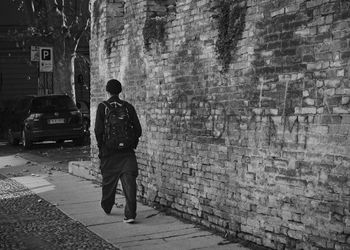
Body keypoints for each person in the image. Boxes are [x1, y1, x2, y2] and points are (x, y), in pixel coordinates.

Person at [94, 79, 142, 223]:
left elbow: (98, 130)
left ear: (107, 91)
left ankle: (107, 206)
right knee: (129, 183)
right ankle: (130, 215)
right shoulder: (128, 107)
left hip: (109, 153)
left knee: (108, 182)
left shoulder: (103, 107)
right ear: (120, 91)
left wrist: (102, 147)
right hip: (127, 153)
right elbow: (138, 130)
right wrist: (131, 142)